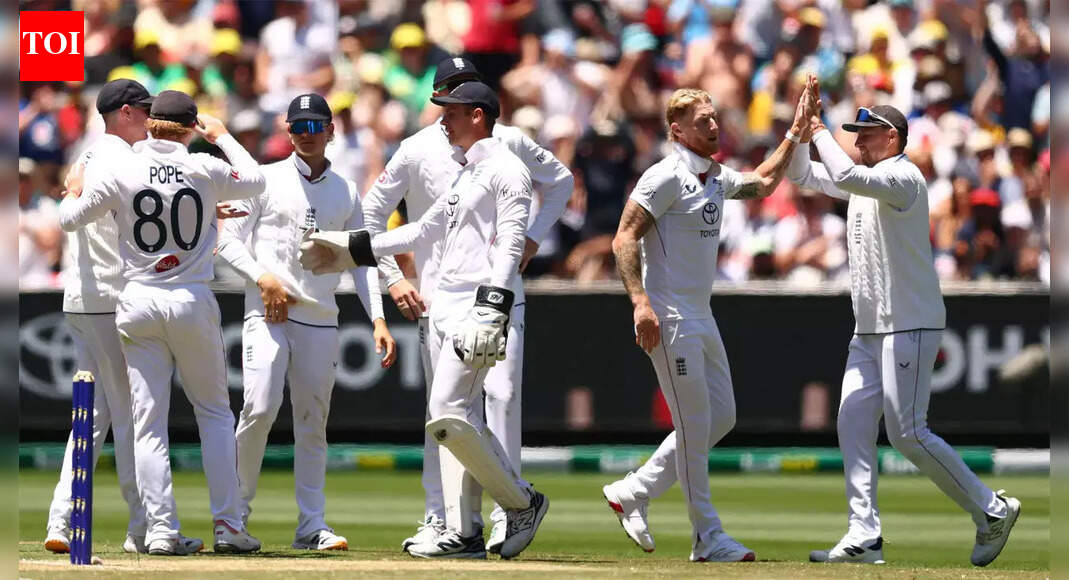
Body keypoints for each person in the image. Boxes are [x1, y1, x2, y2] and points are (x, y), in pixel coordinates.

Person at [300, 81, 549, 560]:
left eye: (451, 113)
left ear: (478, 116)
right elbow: (423, 230)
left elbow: (512, 242)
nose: (443, 121)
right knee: (449, 415)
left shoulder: (508, 169)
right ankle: (468, 530)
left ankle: (520, 504)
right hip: (448, 305)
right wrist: (350, 249)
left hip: (479, 305)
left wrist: (493, 306)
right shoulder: (468, 171)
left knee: (449, 411)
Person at [785, 85, 1021, 566]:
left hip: (909, 322)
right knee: (852, 421)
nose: (858, 141)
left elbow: (844, 171)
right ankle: (864, 535)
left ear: (891, 137)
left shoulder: (903, 177)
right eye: (854, 134)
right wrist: (798, 130)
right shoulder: (864, 180)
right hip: (869, 330)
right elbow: (801, 174)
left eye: (866, 134)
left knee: (908, 433)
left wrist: (819, 128)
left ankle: (992, 510)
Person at [361, 57, 572, 555]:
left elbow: (560, 181)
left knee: (500, 397)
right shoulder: (417, 149)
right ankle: (448, 519)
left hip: (497, 296)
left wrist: (533, 239)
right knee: (444, 413)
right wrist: (394, 278)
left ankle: (507, 513)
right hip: (438, 299)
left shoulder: (508, 145)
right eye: (448, 93)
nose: (453, 103)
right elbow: (381, 216)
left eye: (465, 91)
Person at [601, 82, 816, 562]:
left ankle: (634, 490)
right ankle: (707, 537)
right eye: (704, 122)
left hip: (702, 315)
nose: (715, 126)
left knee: (722, 417)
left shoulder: (715, 175)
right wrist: (640, 303)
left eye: (715, 118)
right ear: (678, 130)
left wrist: (796, 132)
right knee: (695, 425)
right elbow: (623, 238)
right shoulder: (663, 177)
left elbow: (763, 183)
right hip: (670, 318)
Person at [58, 91, 265, 555]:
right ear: (190, 128)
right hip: (191, 298)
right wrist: (223, 137)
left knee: (148, 423)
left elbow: (70, 220)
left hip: (137, 299)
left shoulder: (123, 168)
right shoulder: (203, 166)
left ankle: (160, 531)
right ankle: (228, 526)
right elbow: (255, 181)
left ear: (150, 123)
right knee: (214, 413)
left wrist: (73, 190)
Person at [216, 93, 396, 551]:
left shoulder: (346, 191)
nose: (307, 135)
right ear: (288, 131)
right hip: (268, 313)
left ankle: (311, 525)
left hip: (319, 318)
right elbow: (228, 242)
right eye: (299, 127)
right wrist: (264, 279)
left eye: (316, 126)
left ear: (331, 131)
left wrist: (377, 317)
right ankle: (233, 519)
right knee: (258, 409)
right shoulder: (264, 180)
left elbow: (360, 262)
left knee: (313, 421)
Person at [44, 79, 154, 555]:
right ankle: (142, 528)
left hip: (82, 298)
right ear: (125, 113)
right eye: (144, 109)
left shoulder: (87, 155)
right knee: (130, 415)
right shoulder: (123, 160)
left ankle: (61, 520)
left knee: (89, 418)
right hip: (112, 298)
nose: (150, 118)